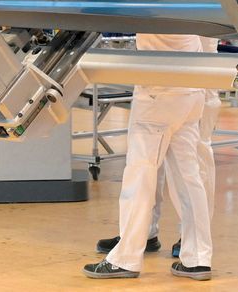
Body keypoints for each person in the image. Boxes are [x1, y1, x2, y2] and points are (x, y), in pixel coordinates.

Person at [83, 33, 213, 281]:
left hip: (159, 92)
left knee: (139, 175)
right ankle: (198, 259)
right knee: (189, 178)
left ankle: (125, 258)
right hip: (192, 89)